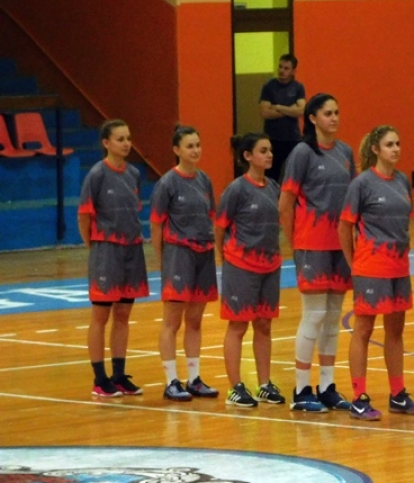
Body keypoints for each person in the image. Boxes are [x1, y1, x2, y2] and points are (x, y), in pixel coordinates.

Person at [338, 125, 414, 421]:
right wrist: (353, 264)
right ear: (375, 149)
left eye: (398, 143)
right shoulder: (362, 184)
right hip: (371, 267)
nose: (396, 149)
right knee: (363, 330)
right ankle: (359, 397)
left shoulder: (401, 180)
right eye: (389, 144)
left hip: (399, 267)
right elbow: (344, 226)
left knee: (395, 331)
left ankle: (397, 394)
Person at [279, 93, 355, 413]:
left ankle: (327, 386)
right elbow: (285, 204)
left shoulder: (346, 152)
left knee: (333, 318)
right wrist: (296, 243)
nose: (334, 118)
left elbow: (352, 202)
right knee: (314, 315)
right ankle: (301, 389)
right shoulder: (302, 153)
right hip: (312, 244)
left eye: (336, 112)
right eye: (327, 113)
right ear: (312, 118)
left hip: (340, 245)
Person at [78, 119, 149, 397]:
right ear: (106, 143)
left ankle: (119, 375)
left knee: (123, 314)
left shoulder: (133, 173)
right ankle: (99, 379)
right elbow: (84, 216)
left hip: (132, 249)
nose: (126, 143)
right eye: (120, 139)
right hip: (106, 250)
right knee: (100, 315)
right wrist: (96, 246)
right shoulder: (97, 174)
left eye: (128, 138)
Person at [215, 132, 286, 408]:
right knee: (238, 325)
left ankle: (264, 385)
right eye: (263, 151)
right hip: (241, 265)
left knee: (264, 324)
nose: (269, 155)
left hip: (270, 264)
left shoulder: (274, 187)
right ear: (247, 156)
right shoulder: (236, 190)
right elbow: (220, 227)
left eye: (270, 150)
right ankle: (235, 387)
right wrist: (223, 258)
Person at [149, 125, 219, 402]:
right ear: (176, 150)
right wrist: (163, 260)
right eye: (190, 146)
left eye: (198, 145)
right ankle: (171, 381)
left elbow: (211, 216)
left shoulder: (204, 180)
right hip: (178, 254)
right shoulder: (167, 183)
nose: (196, 150)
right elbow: (156, 225)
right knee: (172, 321)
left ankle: (194, 379)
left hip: (204, 253)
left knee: (195, 320)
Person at [260, 53, 306, 181]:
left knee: (292, 174)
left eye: (286, 68)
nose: (281, 70)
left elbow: (301, 110)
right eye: (280, 67)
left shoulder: (298, 87)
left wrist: (278, 107)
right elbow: (265, 112)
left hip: (292, 138)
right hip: (272, 139)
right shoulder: (269, 86)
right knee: (272, 175)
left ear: (293, 71)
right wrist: (291, 109)